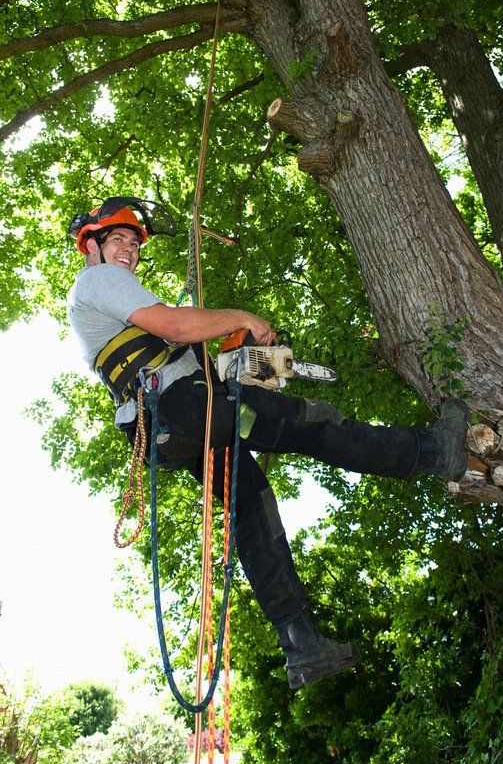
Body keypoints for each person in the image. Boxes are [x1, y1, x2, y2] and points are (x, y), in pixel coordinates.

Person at [67, 198, 470, 690]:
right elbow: (175, 325)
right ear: (93, 245)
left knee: (253, 509)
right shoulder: (98, 281)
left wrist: (256, 362)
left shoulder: (118, 309)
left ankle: (301, 644)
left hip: (179, 428)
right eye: (118, 240)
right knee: (313, 424)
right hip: (188, 409)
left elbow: (195, 358)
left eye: (133, 243)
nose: (128, 249)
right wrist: (245, 318)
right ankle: (433, 453)